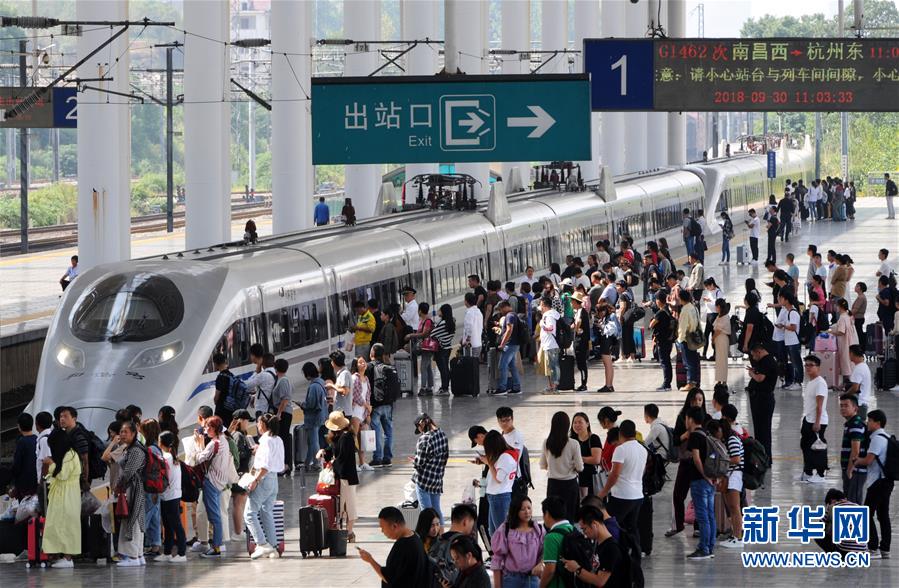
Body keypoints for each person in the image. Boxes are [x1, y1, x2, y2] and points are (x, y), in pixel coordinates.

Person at [596, 420, 645, 556]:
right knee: (632, 527)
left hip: (622, 496)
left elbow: (614, 474)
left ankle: (612, 554)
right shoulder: (642, 449)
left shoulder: (621, 449)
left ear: (620, 433)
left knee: (609, 524)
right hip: (637, 495)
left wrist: (603, 492)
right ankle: (635, 555)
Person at [666, 389, 708, 538]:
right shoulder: (682, 417)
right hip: (685, 460)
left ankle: (698, 526)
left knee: (699, 496)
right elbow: (675, 440)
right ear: (689, 401)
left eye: (700, 400)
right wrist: (686, 434)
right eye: (694, 399)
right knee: (678, 494)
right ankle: (678, 525)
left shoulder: (706, 418)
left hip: (700, 462)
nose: (697, 402)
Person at [193, 416, 235, 558]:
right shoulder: (224, 440)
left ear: (214, 429)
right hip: (221, 482)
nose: (205, 430)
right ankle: (217, 545)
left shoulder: (214, 444)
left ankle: (216, 547)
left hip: (212, 482)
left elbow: (199, 458)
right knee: (216, 514)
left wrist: (199, 445)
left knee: (214, 516)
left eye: (208, 428)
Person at [854, 410, 894, 559]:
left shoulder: (877, 438)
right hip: (886, 481)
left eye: (869, 420)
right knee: (883, 515)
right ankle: (885, 549)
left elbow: (869, 460)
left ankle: (873, 548)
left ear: (877, 423)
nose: (867, 423)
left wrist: (857, 460)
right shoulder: (887, 436)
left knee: (866, 514)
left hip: (878, 482)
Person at [561, 505, 632, 588]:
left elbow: (600, 581)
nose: (584, 534)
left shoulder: (610, 548)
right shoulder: (599, 544)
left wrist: (577, 569)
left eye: (584, 529)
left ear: (594, 524)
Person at [244, 413, 284, 558]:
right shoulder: (277, 439)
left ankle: (261, 544)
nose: (257, 425)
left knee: (249, 513)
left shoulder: (265, 441)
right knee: (266, 511)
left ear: (264, 425)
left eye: (258, 423)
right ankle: (273, 546)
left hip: (264, 478)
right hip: (274, 480)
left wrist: (255, 480)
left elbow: (265, 466)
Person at [358, 507, 430, 587]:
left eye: (382, 527)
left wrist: (370, 560)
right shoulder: (415, 536)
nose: (382, 531)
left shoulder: (402, 545)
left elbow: (388, 578)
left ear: (394, 526)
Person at [40, 428, 81, 568]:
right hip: (61, 495)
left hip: (67, 495)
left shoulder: (70, 455)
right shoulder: (66, 455)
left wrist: (51, 464)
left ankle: (68, 558)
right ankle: (61, 555)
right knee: (58, 525)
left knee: (67, 526)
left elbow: (63, 475)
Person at [683, 407, 717, 559]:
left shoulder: (695, 436)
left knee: (702, 516)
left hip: (699, 481)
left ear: (690, 419)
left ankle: (703, 548)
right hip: (709, 482)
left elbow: (696, 458)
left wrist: (704, 475)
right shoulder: (706, 434)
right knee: (710, 515)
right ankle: (710, 547)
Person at [490, 494, 545, 588]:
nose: (527, 512)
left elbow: (544, 552)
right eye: (522, 509)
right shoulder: (505, 529)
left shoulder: (538, 529)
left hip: (532, 580)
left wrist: (541, 564)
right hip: (511, 580)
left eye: (529, 508)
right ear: (515, 511)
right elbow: (497, 560)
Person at [540, 412, 584, 523]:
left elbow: (543, 465)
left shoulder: (547, 442)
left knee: (553, 518)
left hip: (553, 485)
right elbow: (580, 467)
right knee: (569, 518)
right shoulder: (574, 443)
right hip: (570, 485)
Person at [114, 421, 148, 566]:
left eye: (125, 432)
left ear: (134, 434)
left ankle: (132, 557)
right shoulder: (131, 448)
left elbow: (128, 472)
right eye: (121, 431)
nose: (122, 434)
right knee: (135, 521)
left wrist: (118, 485)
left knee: (132, 521)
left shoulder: (136, 450)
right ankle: (138, 555)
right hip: (134, 488)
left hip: (133, 489)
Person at [322, 411, 359, 541]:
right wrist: (324, 452)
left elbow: (342, 457)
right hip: (342, 476)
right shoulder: (341, 436)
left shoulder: (346, 437)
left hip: (347, 477)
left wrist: (332, 463)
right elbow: (332, 450)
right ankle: (346, 532)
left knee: (349, 504)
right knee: (342, 504)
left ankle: (349, 532)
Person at [411, 413, 449, 525]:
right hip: (437, 479)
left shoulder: (424, 439)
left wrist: (413, 460)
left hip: (424, 480)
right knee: (437, 510)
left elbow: (419, 463)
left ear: (421, 424)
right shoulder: (442, 434)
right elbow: (445, 456)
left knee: (427, 513)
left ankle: (430, 539)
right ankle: (441, 536)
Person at [156, 431, 187, 563]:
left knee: (175, 525)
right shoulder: (172, 457)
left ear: (160, 442)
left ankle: (182, 553)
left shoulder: (166, 457)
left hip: (170, 496)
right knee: (168, 525)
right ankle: (167, 552)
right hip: (169, 496)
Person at [430, 503, 478, 585]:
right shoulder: (465, 543)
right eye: (472, 522)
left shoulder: (437, 541)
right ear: (465, 522)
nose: (472, 527)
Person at [746, 343, 778, 464]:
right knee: (759, 430)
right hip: (758, 398)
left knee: (763, 431)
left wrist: (752, 374)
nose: (753, 358)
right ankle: (761, 457)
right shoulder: (763, 361)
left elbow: (760, 378)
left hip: (763, 399)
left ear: (759, 351)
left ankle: (766, 458)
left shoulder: (767, 361)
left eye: (754, 355)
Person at [800, 355, 829, 484]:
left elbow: (819, 405)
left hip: (817, 421)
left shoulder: (820, 383)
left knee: (817, 449)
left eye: (811, 365)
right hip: (808, 418)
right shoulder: (811, 382)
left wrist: (817, 422)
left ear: (818, 367)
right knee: (805, 446)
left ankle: (821, 474)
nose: (808, 368)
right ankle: (808, 471)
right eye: (806, 365)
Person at [484, 430, 519, 537]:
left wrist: (489, 463)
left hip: (499, 497)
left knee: (500, 534)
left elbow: (499, 478)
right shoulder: (503, 455)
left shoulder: (506, 457)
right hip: (495, 497)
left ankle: (503, 553)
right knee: (494, 532)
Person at [717, 419, 745, 549]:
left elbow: (736, 459)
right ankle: (734, 535)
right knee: (732, 508)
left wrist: (722, 459)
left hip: (735, 475)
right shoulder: (726, 440)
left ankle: (738, 537)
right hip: (730, 475)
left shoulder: (732, 440)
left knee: (735, 507)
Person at [368, 343, 396, 468]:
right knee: (388, 431)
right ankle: (387, 458)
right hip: (389, 404)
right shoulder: (389, 367)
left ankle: (377, 458)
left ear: (372, 353)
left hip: (375, 405)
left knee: (377, 431)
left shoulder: (369, 367)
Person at [838, 394, 867, 505]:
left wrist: (850, 470)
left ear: (855, 408)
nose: (843, 408)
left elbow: (855, 451)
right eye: (841, 406)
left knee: (853, 503)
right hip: (852, 470)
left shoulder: (855, 424)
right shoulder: (850, 424)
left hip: (856, 471)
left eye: (846, 405)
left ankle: (857, 523)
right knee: (850, 501)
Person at [300, 362, 327, 471]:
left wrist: (302, 404)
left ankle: (316, 463)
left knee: (314, 441)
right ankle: (307, 462)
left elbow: (311, 404)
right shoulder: (321, 382)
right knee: (312, 441)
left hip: (313, 417)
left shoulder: (313, 386)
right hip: (321, 415)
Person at [493, 300, 523, 396]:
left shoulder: (510, 316)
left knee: (502, 366)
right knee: (512, 366)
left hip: (510, 345)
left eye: (501, 309)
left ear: (505, 306)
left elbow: (509, 330)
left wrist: (502, 344)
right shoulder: (513, 315)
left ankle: (502, 388)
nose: (500, 312)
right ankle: (516, 387)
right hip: (514, 344)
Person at [774, 291, 802, 391]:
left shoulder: (793, 312)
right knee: (793, 362)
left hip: (794, 341)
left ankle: (798, 382)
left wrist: (783, 326)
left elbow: (793, 327)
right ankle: (795, 381)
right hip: (790, 341)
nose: (780, 300)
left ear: (786, 300)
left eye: (781, 298)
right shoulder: (788, 311)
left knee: (796, 362)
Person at [570, 412, 603, 498]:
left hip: (590, 479)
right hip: (574, 478)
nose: (577, 425)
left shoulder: (593, 438)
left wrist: (579, 459)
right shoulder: (571, 440)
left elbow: (596, 459)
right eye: (575, 422)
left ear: (587, 424)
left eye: (580, 422)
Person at [408, 303, 436, 396]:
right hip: (425, 347)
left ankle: (423, 388)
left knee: (423, 367)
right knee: (427, 367)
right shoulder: (422, 320)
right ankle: (429, 387)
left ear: (420, 310)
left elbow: (424, 334)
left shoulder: (427, 321)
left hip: (427, 348)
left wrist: (411, 335)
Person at [676, 289, 701, 391]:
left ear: (681, 298)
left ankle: (690, 383)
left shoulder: (685, 310)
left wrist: (680, 339)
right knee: (693, 361)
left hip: (686, 339)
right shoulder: (693, 307)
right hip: (694, 336)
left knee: (688, 362)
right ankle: (694, 382)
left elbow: (683, 326)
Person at [829, 299, 858, 385]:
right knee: (849, 360)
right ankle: (851, 380)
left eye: (836, 305)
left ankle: (847, 382)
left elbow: (841, 332)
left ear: (840, 307)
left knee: (845, 360)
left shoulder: (842, 317)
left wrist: (831, 332)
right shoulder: (848, 316)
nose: (835, 307)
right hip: (851, 341)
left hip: (845, 342)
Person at [649, 292, 674, 391]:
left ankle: (666, 384)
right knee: (667, 361)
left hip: (662, 340)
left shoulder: (661, 312)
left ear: (659, 300)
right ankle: (667, 383)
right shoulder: (668, 310)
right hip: (668, 339)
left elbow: (651, 325)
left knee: (664, 362)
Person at [538, 296, 562, 395]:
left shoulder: (549, 315)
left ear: (543, 305)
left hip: (551, 344)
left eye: (540, 304)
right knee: (551, 366)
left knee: (553, 366)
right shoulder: (552, 314)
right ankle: (552, 386)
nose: (540, 307)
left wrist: (542, 325)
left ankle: (554, 388)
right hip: (549, 344)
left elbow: (551, 329)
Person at [11, 413, 37, 499]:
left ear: (19, 426)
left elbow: (17, 465)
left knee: (24, 510)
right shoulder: (37, 438)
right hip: (36, 481)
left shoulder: (22, 442)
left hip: (24, 484)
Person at [431, 304, 456, 396]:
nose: (438, 311)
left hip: (441, 349)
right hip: (447, 348)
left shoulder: (442, 323)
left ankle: (445, 389)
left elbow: (432, 333)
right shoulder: (451, 322)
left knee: (443, 369)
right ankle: (445, 387)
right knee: (445, 368)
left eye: (440, 310)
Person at [846, 345, 872, 420]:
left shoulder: (859, 368)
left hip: (859, 404)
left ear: (851, 353)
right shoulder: (864, 366)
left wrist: (845, 394)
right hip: (863, 403)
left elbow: (855, 388)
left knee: (856, 427)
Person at [700, 278, 722, 360]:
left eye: (708, 286)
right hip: (709, 314)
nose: (707, 288)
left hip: (715, 315)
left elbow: (719, 304)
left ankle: (715, 354)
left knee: (714, 335)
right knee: (706, 335)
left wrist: (710, 301)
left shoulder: (718, 292)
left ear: (712, 284)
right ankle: (704, 354)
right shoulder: (709, 292)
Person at [712, 299, 731, 386]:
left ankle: (724, 380)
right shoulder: (720, 316)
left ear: (719, 307)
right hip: (719, 340)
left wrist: (712, 338)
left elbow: (718, 330)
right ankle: (720, 379)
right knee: (719, 360)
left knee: (722, 360)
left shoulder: (724, 317)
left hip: (722, 339)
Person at [462, 292, 484, 358]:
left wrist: (467, 340)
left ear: (466, 301)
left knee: (470, 366)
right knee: (475, 365)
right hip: (478, 343)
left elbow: (469, 328)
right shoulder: (478, 311)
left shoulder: (469, 313)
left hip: (471, 345)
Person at [851, 282, 868, 349]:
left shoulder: (861, 297)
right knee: (859, 332)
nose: (855, 287)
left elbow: (855, 310)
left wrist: (847, 314)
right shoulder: (860, 297)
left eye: (857, 286)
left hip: (858, 318)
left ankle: (861, 347)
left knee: (858, 333)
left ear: (860, 288)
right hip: (858, 318)